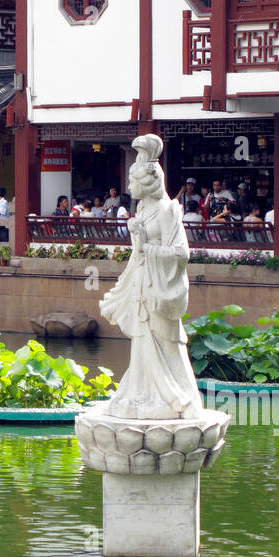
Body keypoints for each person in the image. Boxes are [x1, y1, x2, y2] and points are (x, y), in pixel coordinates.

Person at [99, 134, 202, 421]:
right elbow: (139, 253)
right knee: (143, 341)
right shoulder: (143, 210)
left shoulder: (168, 210)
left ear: (147, 182)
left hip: (160, 288)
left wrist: (148, 247)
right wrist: (137, 240)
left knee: (164, 342)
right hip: (144, 284)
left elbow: (182, 253)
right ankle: (141, 393)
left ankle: (173, 397)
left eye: (132, 181)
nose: (128, 186)